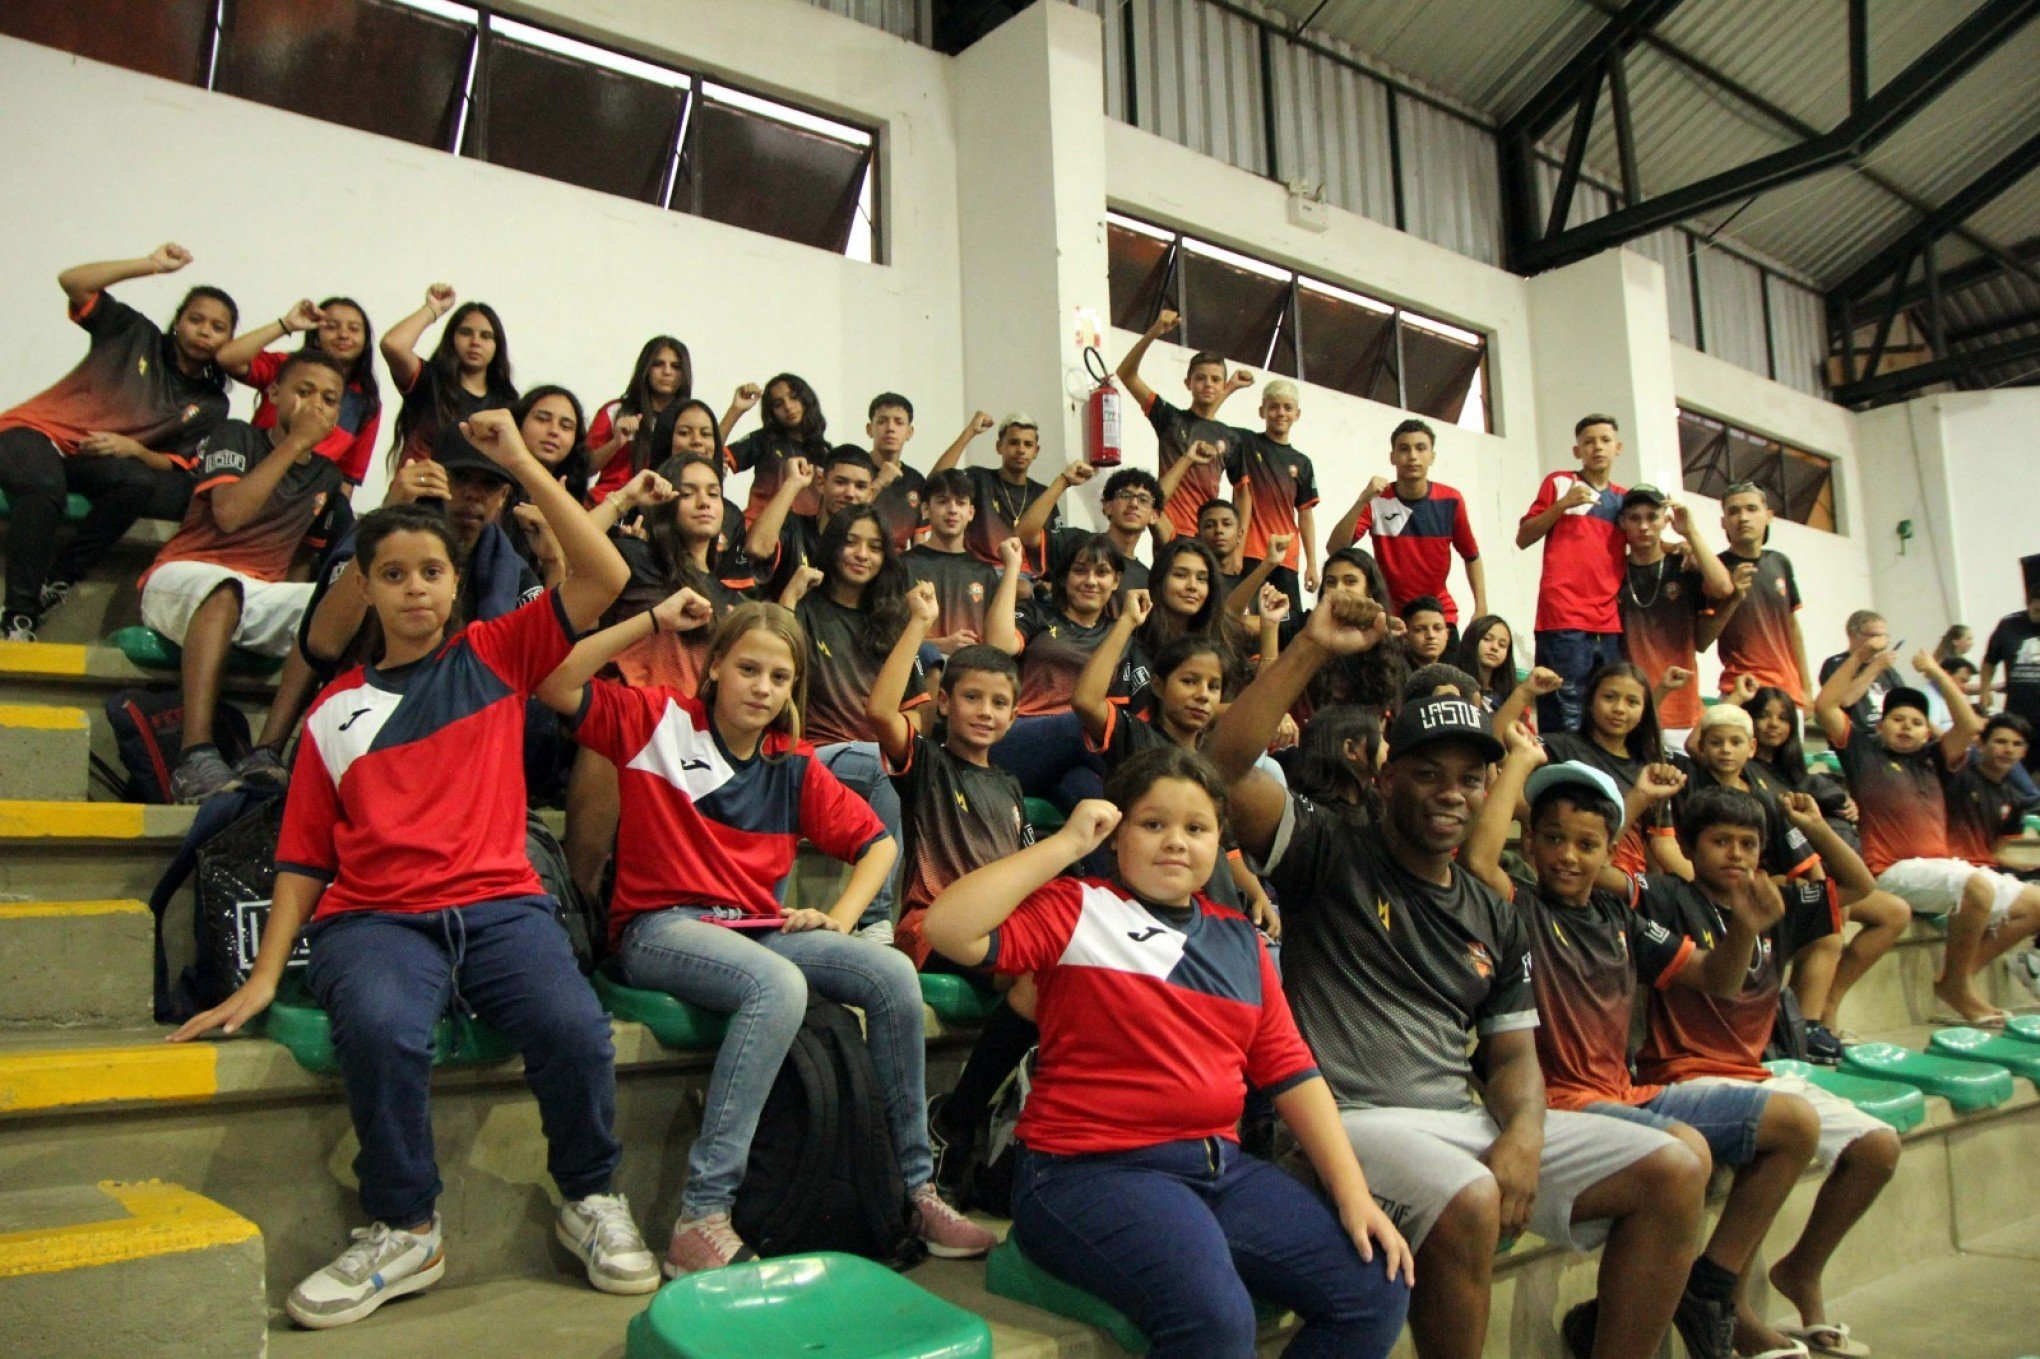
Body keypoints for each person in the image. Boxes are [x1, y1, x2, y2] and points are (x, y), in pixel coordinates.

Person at [169, 409, 653, 1324]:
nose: (417, 589)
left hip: (504, 906)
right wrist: (267, 973)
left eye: (432, 572)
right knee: (384, 1030)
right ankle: (405, 1227)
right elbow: (306, 853)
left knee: (576, 1028)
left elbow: (608, 573)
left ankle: (590, 1196)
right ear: (368, 588)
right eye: (394, 574)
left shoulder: (498, 655)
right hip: (375, 920)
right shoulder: (334, 711)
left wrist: (520, 460)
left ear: (453, 581)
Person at [1206, 604, 1708, 1359]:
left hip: (1456, 1118)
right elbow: (1221, 766)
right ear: (1385, 777)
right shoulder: (1329, 849)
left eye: (1470, 779)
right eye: (1428, 773)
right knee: (1471, 1198)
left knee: (1677, 1165)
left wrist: (1524, 1136)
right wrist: (1309, 643)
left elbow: (1512, 1057)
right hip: (1347, 1123)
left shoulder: (1492, 907)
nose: (1451, 793)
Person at [533, 596, 994, 1273]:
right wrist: (654, 621)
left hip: (756, 928)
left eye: (779, 678)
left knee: (891, 973)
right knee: (778, 984)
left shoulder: (793, 760)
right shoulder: (658, 720)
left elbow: (877, 846)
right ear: (715, 666)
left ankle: (915, 1190)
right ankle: (703, 1212)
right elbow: (555, 682)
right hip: (662, 925)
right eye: (749, 668)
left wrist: (840, 917)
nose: (763, 688)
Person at [922, 750, 1413, 1359]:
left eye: (1196, 828)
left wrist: (1353, 1194)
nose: (1175, 842)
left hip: (1218, 1172)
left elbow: (1292, 1072)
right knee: (1216, 1321)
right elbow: (947, 928)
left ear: (1219, 845)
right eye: (1152, 824)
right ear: (1117, 832)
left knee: (1374, 1286)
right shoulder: (1079, 908)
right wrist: (1065, 844)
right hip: (1088, 1174)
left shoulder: (1241, 940)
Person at [1464, 747, 1823, 1359]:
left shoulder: (1619, 918)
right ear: (1530, 846)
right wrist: (1521, 760)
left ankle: (1707, 1286)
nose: (1568, 857)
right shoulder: (1517, 908)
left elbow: (1717, 979)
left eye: (1586, 844)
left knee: (1794, 1123)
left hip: (1626, 1094)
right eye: (1552, 839)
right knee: (1686, 1152)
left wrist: (1743, 929)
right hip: (1560, 1107)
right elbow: (1477, 857)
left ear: (1610, 853)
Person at [1629, 785, 1900, 1359]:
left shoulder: (1773, 903)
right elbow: (1600, 871)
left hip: (1754, 1074)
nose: (1734, 854)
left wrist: (1815, 826)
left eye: (1748, 844)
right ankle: (1717, 1293)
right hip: (1682, 1075)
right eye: (1719, 841)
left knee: (1878, 1147)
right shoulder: (1664, 896)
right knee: (1787, 1124)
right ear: (1691, 847)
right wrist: (1638, 801)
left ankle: (1798, 1271)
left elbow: (1860, 887)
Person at [867, 594, 1038, 1199]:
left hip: (999, 933)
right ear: (943, 702)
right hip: (932, 926)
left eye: (999, 703)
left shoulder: (1012, 787)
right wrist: (917, 624)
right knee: (1036, 984)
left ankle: (1017, 1142)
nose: (985, 712)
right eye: (971, 697)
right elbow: (881, 710)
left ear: (1015, 716)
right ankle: (957, 1117)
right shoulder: (929, 764)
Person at [138, 351, 349, 801]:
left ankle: (268, 752)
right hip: (188, 573)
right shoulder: (233, 435)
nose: (316, 407)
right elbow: (230, 514)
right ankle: (195, 756)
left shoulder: (328, 477)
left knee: (335, 600)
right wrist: (295, 445)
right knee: (224, 588)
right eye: (304, 392)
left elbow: (302, 563)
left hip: (261, 592)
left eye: (329, 400)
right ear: (274, 394)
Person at [0, 243, 235, 642]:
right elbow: (72, 282)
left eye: (217, 327)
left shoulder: (212, 403)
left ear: (229, 339)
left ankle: (57, 582)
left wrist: (135, 450)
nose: (204, 331)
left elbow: (178, 464)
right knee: (44, 488)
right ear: (178, 322)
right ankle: (18, 616)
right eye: (196, 319)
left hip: (89, 456)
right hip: (32, 434)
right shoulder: (133, 332)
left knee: (137, 483)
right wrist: (150, 265)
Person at [1816, 649, 2040, 1024]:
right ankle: (1957, 986)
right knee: (1976, 888)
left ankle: (1956, 978)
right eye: (1897, 719)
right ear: (1881, 725)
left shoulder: (1934, 759)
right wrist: (1863, 661)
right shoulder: (1863, 752)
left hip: (1939, 869)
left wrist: (1935, 670)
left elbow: (1969, 725)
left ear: (1927, 730)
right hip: (1891, 870)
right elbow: (1824, 706)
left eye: (1916, 722)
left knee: (2035, 904)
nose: (1906, 726)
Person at [777, 506, 925, 942]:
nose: (862, 554)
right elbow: (774, 653)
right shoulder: (807, 608)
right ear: (832, 547)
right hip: (815, 753)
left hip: (868, 755)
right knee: (882, 765)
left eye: (875, 547)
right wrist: (789, 597)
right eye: (852, 542)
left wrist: (904, 743)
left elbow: (914, 708)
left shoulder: (890, 620)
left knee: (897, 763)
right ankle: (874, 917)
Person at [987, 533, 1119, 806]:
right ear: (1064, 577)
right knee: (1079, 721)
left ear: (1116, 581)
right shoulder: (1038, 614)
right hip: (1019, 738)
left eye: (1102, 572)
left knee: (1098, 806)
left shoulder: (1120, 635)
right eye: (1080, 571)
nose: (1090, 581)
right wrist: (1013, 568)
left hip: (1073, 759)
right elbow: (998, 646)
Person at [1517, 415, 1627, 733]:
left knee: (1606, 718)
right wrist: (1562, 505)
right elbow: (1523, 537)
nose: (1597, 447)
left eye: (1605, 440)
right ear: (1577, 450)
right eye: (1589, 441)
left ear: (1617, 447)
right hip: (1562, 619)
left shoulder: (1625, 499)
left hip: (1608, 624)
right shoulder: (1560, 482)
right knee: (1564, 716)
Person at [1329, 418, 1486, 628]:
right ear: (1392, 457)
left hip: (1438, 618)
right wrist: (1362, 500)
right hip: (1391, 619)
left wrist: (1481, 607)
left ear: (1432, 457)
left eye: (1421, 448)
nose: (1412, 456)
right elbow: (1335, 548)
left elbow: (1471, 555)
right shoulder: (1377, 500)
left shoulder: (1451, 500)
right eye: (1404, 449)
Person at [215, 296, 382, 490]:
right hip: (250, 478)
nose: (343, 334)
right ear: (315, 335)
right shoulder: (287, 367)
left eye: (354, 329)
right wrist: (286, 324)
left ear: (365, 340)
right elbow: (226, 357)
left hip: (302, 500)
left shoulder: (367, 403)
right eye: (331, 327)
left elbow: (346, 477)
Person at [1114, 309, 1252, 539]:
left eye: (1215, 379)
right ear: (1188, 383)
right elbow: (1126, 374)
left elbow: (1243, 493)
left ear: (1222, 385)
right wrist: (1155, 330)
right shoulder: (1169, 418)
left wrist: (1239, 544)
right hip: (1169, 529)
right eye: (1200, 378)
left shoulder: (1230, 437)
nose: (1208, 384)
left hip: (1208, 536)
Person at [1613, 486, 1733, 745]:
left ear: (1665, 519)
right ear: (1623, 522)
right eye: (1635, 518)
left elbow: (1724, 588)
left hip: (1681, 711)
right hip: (1631, 710)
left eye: (1652, 517)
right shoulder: (1613, 571)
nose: (1644, 526)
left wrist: (1690, 532)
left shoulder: (1683, 565)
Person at [1541, 662, 1679, 878]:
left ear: (1644, 711)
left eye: (1632, 702)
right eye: (1609, 697)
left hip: (1631, 889)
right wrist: (1524, 693)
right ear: (1590, 701)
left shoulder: (1648, 766)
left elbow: (1664, 844)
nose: (1619, 709)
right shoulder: (1560, 748)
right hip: (1573, 874)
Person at [381, 284, 516, 471]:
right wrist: (433, 309)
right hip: (418, 494)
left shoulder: (508, 404)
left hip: (476, 497)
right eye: (466, 332)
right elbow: (393, 345)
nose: (475, 342)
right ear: (451, 338)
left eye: (485, 336)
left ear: (497, 346)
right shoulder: (429, 382)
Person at [1708, 482, 1814, 711]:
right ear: (1723, 522)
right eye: (1733, 511)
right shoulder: (1714, 568)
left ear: (1768, 516)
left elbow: (1793, 627)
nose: (1743, 518)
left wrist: (1807, 689)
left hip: (1788, 693)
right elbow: (1702, 636)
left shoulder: (1780, 563)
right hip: (1739, 690)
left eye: (1751, 509)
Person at [928, 411, 1060, 567]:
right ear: (999, 447)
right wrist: (970, 432)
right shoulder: (978, 478)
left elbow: (1056, 548)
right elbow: (934, 483)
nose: (1020, 450)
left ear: (1036, 451)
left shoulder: (1044, 495)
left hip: (1028, 580)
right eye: (1013, 442)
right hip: (978, 573)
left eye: (1028, 444)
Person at [1231, 379, 1319, 611]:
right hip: (1250, 553)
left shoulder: (1302, 462)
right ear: (1262, 411)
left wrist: (1312, 563)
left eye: (1287, 407)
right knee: (1247, 619)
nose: (1281, 413)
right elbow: (1209, 421)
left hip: (1286, 557)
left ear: (1297, 414)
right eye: (1274, 406)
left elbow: (1305, 516)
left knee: (1286, 623)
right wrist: (1231, 386)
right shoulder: (1246, 442)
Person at [746, 446, 878, 598]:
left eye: (860, 486)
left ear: (870, 494)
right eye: (840, 482)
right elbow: (756, 548)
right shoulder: (794, 528)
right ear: (821, 482)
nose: (849, 493)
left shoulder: (870, 550)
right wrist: (793, 483)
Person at [1018, 461, 1164, 595]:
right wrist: (1063, 481)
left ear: (1154, 516)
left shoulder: (1146, 579)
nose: (1134, 503)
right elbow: (1024, 535)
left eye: (1143, 499)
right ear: (1107, 506)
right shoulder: (1076, 542)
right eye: (1125, 495)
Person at [902, 469, 1003, 656]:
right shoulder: (903, 565)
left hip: (970, 675)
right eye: (943, 501)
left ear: (971, 512)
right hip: (917, 675)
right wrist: (938, 646)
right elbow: (888, 636)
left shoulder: (985, 573)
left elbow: (994, 641)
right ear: (925, 509)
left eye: (961, 503)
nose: (953, 510)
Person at [585, 336, 691, 505]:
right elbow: (584, 468)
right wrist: (616, 443)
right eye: (658, 364)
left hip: (662, 510)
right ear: (646, 368)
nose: (667, 372)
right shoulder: (616, 411)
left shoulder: (689, 419)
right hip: (607, 504)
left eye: (676, 366)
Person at [722, 373, 830, 526]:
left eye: (794, 397)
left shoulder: (823, 453)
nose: (788, 407)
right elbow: (711, 457)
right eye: (778, 404)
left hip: (806, 539)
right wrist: (735, 410)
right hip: (760, 529)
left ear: (806, 399)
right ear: (771, 412)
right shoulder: (764, 440)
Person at [1979, 556, 2040, 772]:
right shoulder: (2009, 625)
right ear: (2029, 604)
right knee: (2017, 765)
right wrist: (1985, 689)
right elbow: (1989, 661)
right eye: (2037, 611)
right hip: (2019, 709)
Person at [1817, 611, 1898, 737]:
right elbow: (1845, 700)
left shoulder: (1885, 667)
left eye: (1885, 637)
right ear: (1852, 634)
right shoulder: (1836, 664)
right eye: (1875, 636)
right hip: (1856, 736)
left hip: (1887, 736)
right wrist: (1876, 667)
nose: (1883, 642)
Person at [864, 392, 925, 551]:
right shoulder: (855, 467)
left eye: (898, 422)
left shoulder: (916, 480)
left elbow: (918, 539)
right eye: (882, 421)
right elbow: (843, 519)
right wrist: (878, 484)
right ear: (870, 429)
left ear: (910, 432)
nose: (891, 428)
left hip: (899, 566)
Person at [1452, 614, 1518, 715]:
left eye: (1502, 645)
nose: (1495, 647)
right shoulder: (1455, 688)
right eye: (1487, 639)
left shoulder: (1507, 694)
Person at [1399, 595, 1451, 669]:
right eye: (1419, 629)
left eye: (1437, 628)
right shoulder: (1392, 672)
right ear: (1405, 636)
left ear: (1447, 634)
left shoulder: (1454, 676)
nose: (1431, 635)